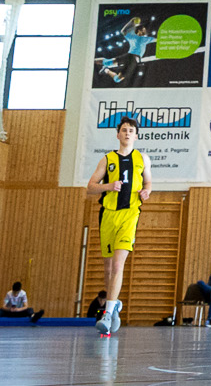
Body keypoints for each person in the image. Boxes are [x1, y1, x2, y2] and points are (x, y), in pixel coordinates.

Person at [85, 114, 152, 336]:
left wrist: (146, 191)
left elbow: (148, 182)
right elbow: (90, 187)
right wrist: (108, 186)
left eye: (131, 130)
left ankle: (107, 312)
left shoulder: (143, 159)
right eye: (124, 130)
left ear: (136, 135)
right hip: (108, 215)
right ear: (118, 134)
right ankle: (114, 306)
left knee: (117, 265)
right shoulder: (107, 159)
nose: (127, 133)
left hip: (130, 214)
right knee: (107, 268)